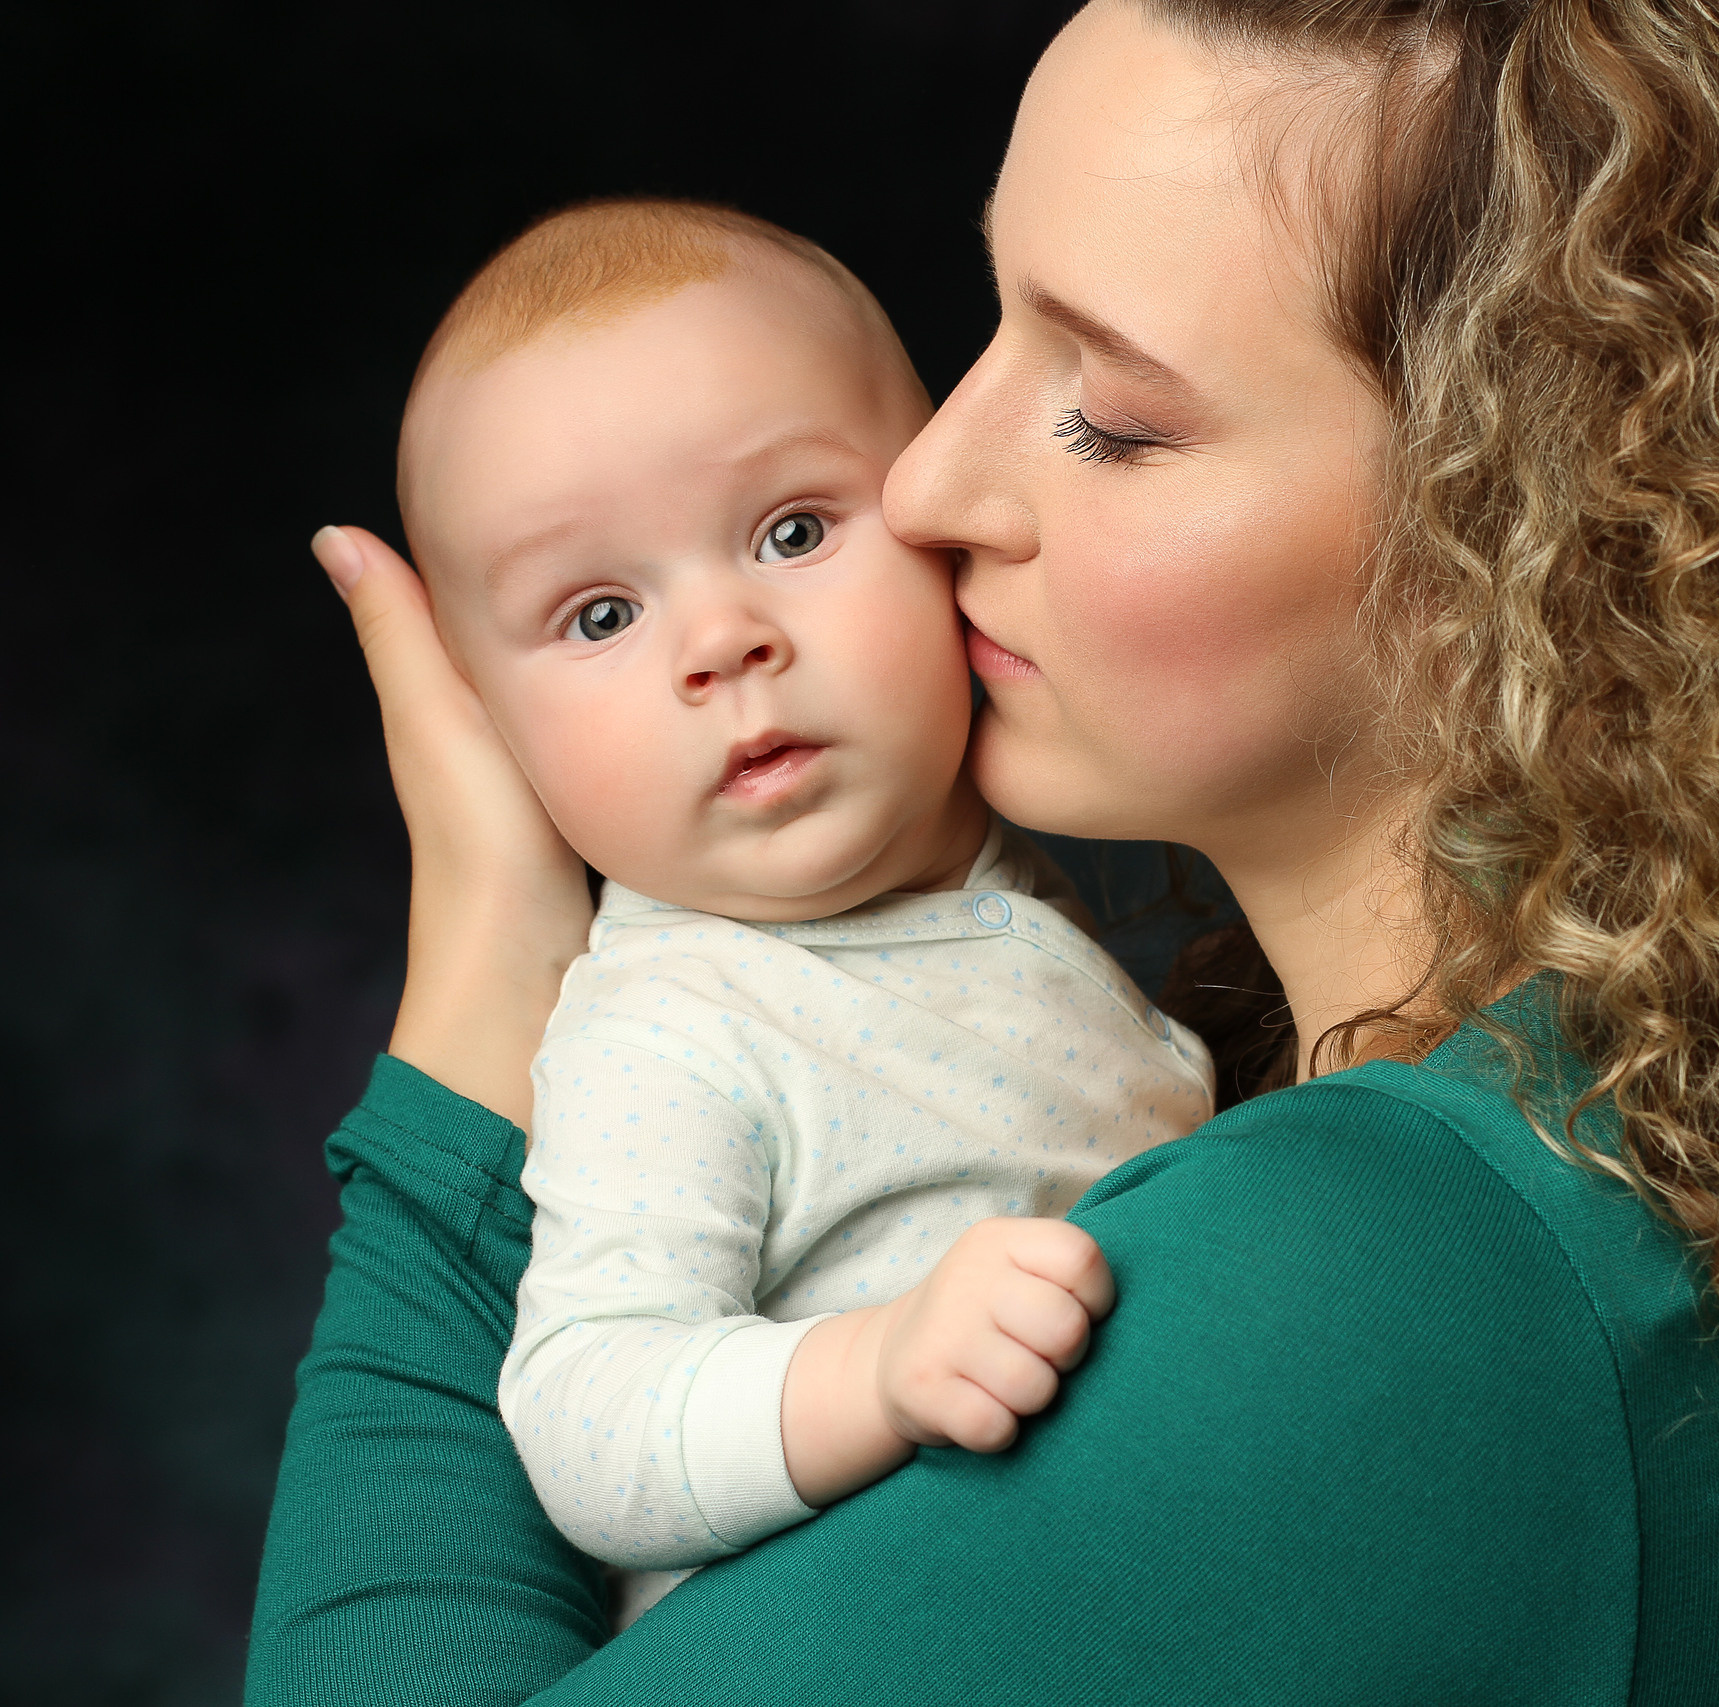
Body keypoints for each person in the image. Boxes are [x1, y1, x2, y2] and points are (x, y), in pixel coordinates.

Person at [248, 2, 1719, 1704]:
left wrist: (483, 976)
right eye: (989, 325)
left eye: (1110, 411)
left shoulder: (1378, 1281)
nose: (926, 480)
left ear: (1531, 541)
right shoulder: (1567, 1131)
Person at [383, 196, 1213, 1618]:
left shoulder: (1029, 882)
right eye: (599, 615)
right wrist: (876, 1367)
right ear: (493, 729)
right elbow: (591, 1415)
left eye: (790, 528)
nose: (722, 641)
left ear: (935, 517)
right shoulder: (676, 1031)